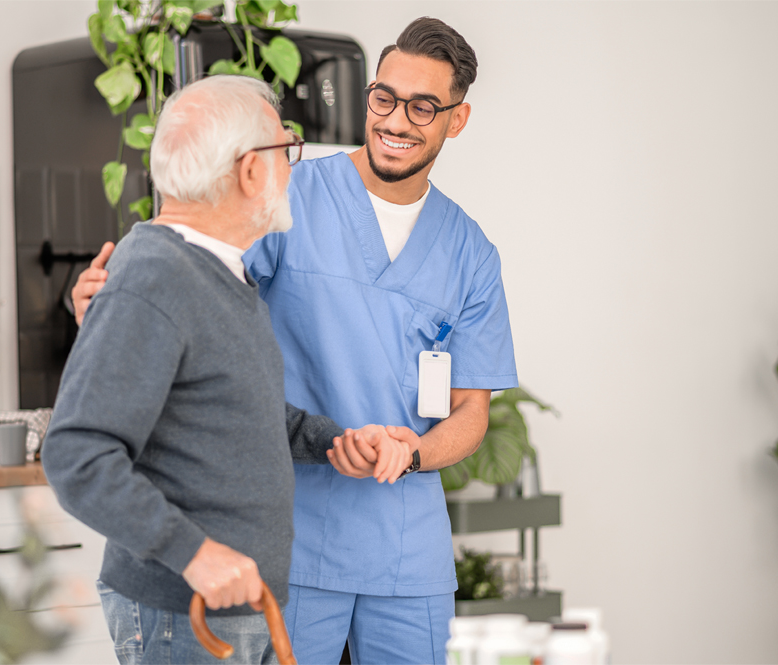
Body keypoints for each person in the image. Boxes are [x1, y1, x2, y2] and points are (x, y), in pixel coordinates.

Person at [72, 18, 517, 664]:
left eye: (422, 106)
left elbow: (472, 409)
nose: (396, 119)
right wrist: (105, 306)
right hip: (295, 533)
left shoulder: (471, 253)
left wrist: (415, 451)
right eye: (384, 97)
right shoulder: (287, 193)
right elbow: (185, 278)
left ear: (457, 118)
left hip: (406, 552)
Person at [42, 75, 412, 665]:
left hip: (239, 612)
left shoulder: (217, 274)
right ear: (248, 171)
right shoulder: (156, 276)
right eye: (285, 150)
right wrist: (195, 554)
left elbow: (244, 415)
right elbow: (75, 455)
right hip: (180, 615)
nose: (294, 166)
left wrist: (337, 441)